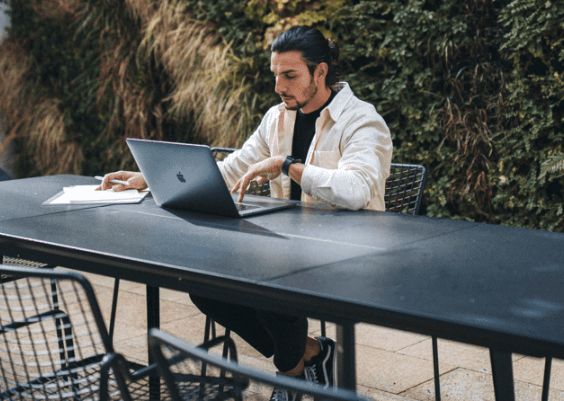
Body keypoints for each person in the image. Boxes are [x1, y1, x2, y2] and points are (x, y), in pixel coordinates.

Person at [100, 25, 392, 399]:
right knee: (204, 289)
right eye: (275, 75)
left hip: (349, 253)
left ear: (321, 72)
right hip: (290, 245)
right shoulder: (277, 118)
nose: (279, 86)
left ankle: (291, 381)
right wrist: (148, 179)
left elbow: (357, 190)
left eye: (290, 76)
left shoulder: (361, 120)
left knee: (269, 293)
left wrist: (288, 165)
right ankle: (308, 355)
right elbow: (229, 171)